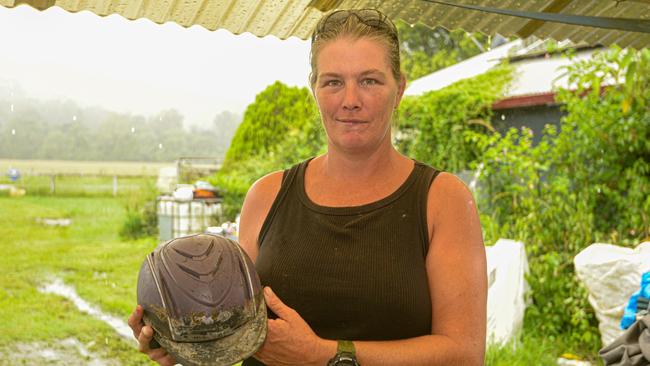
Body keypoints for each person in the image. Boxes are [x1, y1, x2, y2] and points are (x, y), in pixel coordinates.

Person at [128, 8, 487, 365]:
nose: (350, 100)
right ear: (314, 88)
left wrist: (323, 355)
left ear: (400, 88)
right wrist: (182, 345)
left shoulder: (443, 199)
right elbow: (233, 330)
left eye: (370, 81)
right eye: (333, 82)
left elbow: (464, 354)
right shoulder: (266, 196)